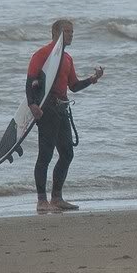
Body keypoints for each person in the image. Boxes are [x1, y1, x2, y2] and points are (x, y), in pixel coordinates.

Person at [27, 19, 104, 213]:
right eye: (67, 31)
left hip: (62, 109)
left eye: (72, 31)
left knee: (67, 153)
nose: (71, 34)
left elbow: (73, 86)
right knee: (45, 155)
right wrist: (32, 105)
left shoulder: (68, 58)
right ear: (56, 33)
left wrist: (92, 80)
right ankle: (41, 200)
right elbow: (30, 82)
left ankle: (57, 198)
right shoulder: (42, 54)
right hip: (47, 109)